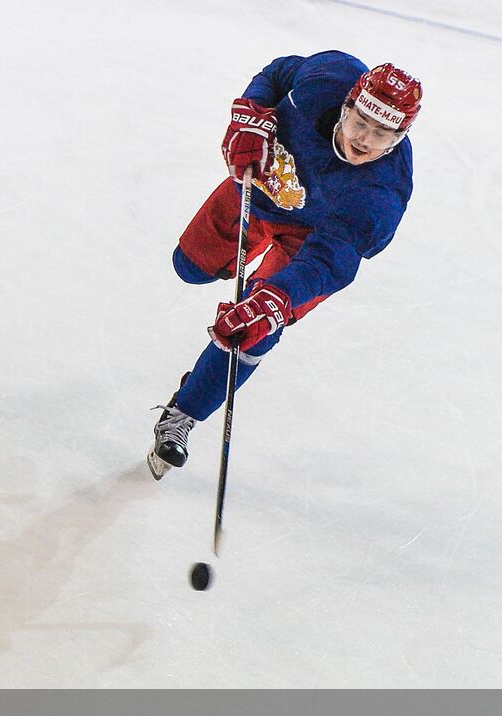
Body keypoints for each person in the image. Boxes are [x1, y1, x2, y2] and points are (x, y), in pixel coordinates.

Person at [148, 53, 422, 479]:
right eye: (361, 122)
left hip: (309, 244)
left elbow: (331, 262)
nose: (366, 139)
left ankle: (184, 414)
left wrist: (276, 300)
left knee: (253, 330)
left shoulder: (381, 195)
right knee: (189, 267)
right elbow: (277, 74)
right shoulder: (327, 76)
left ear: (400, 137)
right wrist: (252, 114)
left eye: (383, 132)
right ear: (346, 106)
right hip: (259, 194)